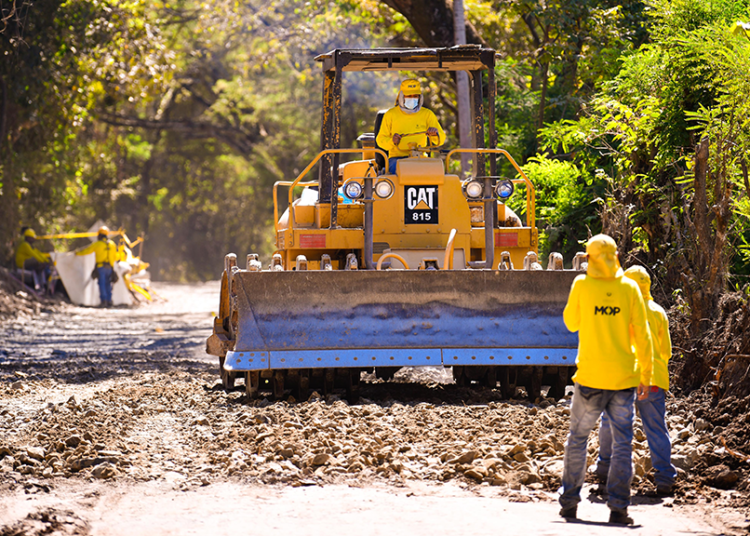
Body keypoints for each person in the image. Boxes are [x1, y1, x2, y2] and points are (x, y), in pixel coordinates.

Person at [559, 234, 653, 525]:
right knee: (623, 444)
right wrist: (646, 374)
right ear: (615, 256)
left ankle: (570, 503)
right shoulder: (629, 289)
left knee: (577, 439)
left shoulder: (582, 286)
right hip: (624, 379)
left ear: (589, 258)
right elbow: (643, 335)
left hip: (589, 377)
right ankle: (618, 507)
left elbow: (570, 323)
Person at [594, 265, 677, 495]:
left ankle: (604, 469)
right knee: (656, 429)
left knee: (609, 423)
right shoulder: (659, 312)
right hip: (653, 381)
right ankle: (664, 479)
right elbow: (666, 352)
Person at [376, 79, 446, 174]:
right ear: (401, 96)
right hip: (396, 159)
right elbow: (380, 140)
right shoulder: (390, 115)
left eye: (415, 96)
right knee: (399, 174)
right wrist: (392, 141)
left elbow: (441, 139)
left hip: (421, 158)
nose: (412, 98)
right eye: (408, 96)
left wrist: (434, 134)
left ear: (419, 97)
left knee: (437, 173)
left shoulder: (427, 114)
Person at [76, 226, 118, 307]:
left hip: (101, 267)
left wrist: (77, 253)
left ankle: (104, 301)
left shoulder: (97, 244)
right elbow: (115, 257)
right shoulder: (112, 244)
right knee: (108, 284)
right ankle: (109, 301)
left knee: (102, 284)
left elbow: (87, 250)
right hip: (110, 268)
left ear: (100, 235)